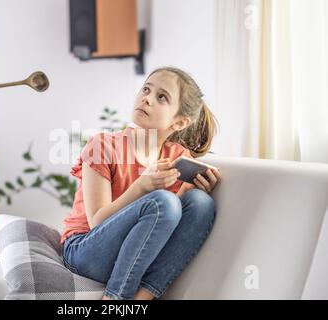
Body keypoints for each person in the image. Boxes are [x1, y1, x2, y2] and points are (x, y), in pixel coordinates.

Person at [61, 67, 222, 300]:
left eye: (161, 97)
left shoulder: (178, 158)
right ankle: (115, 300)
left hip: (134, 257)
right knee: (162, 202)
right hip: (84, 249)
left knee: (201, 202)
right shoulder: (103, 146)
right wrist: (142, 187)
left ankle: (143, 299)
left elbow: (160, 227)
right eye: (146, 89)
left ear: (179, 123)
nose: (146, 98)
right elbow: (97, 222)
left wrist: (188, 191)